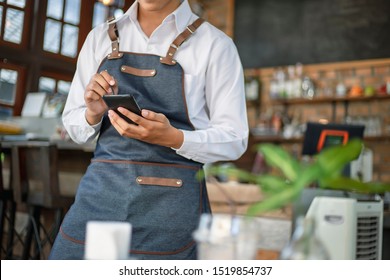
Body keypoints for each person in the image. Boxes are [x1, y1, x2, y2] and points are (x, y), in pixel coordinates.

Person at [49, 0, 248, 260]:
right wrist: (93, 112)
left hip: (171, 211)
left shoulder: (216, 45)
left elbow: (235, 138)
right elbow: (75, 127)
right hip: (100, 197)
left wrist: (174, 138)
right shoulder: (99, 37)